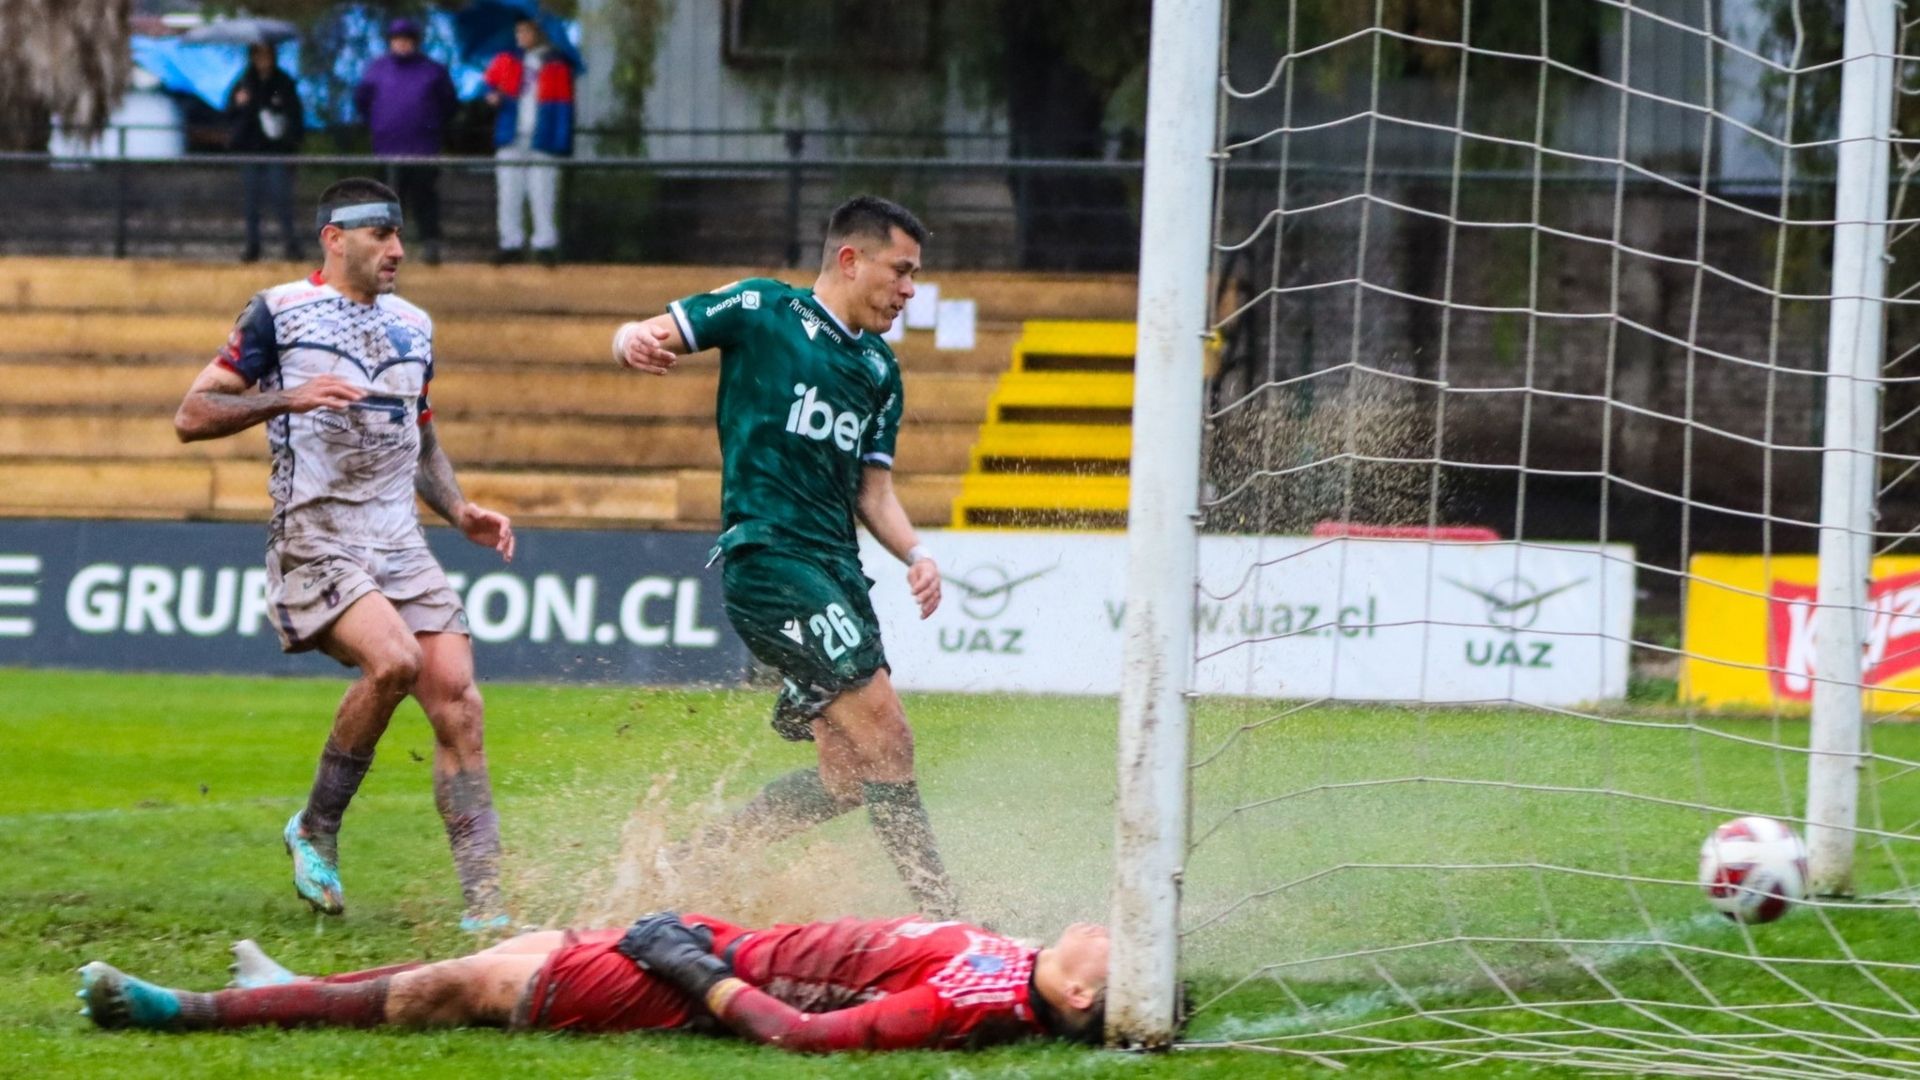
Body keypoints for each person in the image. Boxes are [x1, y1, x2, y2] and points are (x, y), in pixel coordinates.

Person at [172, 177, 516, 931]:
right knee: (395, 662)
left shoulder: (415, 325)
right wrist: (282, 398)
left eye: (399, 238)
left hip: (400, 540)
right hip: (315, 538)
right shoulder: (278, 312)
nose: (397, 250)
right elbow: (192, 414)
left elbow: (419, 434)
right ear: (334, 237)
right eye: (380, 236)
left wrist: (458, 508)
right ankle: (316, 827)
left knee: (459, 703)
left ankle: (486, 904)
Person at [611, 196, 960, 919]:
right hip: (770, 557)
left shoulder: (879, 369)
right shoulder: (764, 307)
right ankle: (946, 917)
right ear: (849, 258)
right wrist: (627, 341)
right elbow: (652, 332)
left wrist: (916, 554)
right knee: (890, 738)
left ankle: (691, 864)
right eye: (901, 271)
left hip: (840, 572)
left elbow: (874, 493)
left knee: (850, 780)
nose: (909, 290)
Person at [78, 911, 1111, 1051]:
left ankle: (183, 1015)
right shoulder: (1014, 959)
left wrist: (696, 974)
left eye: (1119, 965)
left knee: (465, 983)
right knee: (521, 945)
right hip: (714, 942)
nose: (1118, 936)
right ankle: (296, 984)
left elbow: (804, 1041)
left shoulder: (977, 1000)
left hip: (689, 977)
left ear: (1074, 998)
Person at [355, 18, 458, 266]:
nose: (402, 44)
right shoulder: (376, 69)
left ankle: (430, 244)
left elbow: (449, 104)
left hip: (422, 150)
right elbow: (361, 101)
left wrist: (431, 127)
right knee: (385, 203)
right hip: (387, 149)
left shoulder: (432, 70)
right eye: (397, 39)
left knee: (424, 198)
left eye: (407, 39)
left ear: (415, 42)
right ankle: (382, 249)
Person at [483, 16, 574, 266]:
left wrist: (560, 140)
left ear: (539, 33)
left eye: (525, 31)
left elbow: (562, 106)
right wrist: (492, 97)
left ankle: (544, 244)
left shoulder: (556, 63)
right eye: (518, 31)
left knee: (543, 191)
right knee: (509, 191)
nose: (520, 36)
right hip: (512, 134)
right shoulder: (507, 60)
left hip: (541, 136)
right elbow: (488, 86)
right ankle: (510, 242)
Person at [227, 42, 305, 263]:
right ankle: (253, 246)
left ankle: (291, 245)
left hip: (276, 151)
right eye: (258, 55)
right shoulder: (243, 82)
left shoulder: (283, 83)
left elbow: (294, 115)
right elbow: (229, 112)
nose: (263, 60)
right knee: (251, 203)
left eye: (267, 55)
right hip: (251, 150)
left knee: (282, 200)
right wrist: (240, 104)